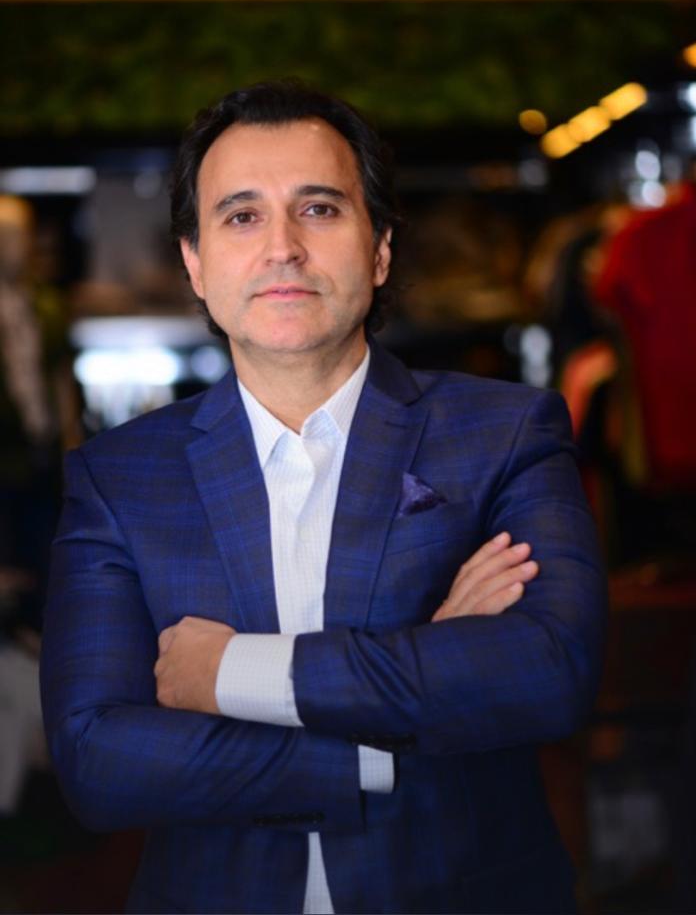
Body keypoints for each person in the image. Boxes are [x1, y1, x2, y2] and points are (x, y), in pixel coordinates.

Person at [40, 80, 605, 915]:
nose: (283, 248)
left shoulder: (506, 431)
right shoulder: (119, 476)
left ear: (379, 249)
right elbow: (100, 763)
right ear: (195, 263)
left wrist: (230, 671)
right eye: (242, 216)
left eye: (319, 209)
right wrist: (397, 716)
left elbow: (548, 672)